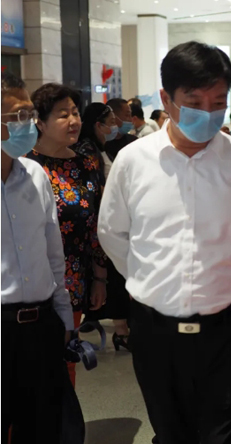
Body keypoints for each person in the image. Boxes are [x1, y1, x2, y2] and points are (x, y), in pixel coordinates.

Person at [98, 41, 231, 444]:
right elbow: (113, 233)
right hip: (155, 328)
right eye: (195, 103)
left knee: (223, 432)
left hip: (227, 326)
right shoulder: (133, 161)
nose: (209, 113)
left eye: (219, 103)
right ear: (167, 99)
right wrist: (151, 278)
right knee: (169, 431)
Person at [1, 72, 74, 444]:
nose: (27, 124)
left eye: (30, 114)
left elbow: (52, 252)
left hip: (41, 326)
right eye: (17, 116)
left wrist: (63, 316)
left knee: (43, 428)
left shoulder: (35, 174)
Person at [27, 83, 107, 385]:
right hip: (30, 280)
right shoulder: (23, 166)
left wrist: (100, 277)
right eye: (63, 115)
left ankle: (65, 416)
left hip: (73, 280)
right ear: (40, 122)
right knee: (30, 362)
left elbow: (95, 224)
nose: (73, 121)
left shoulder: (85, 164)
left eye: (75, 113)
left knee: (66, 359)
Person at [76, 103, 131, 351]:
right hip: (99, 225)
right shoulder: (87, 151)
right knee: (113, 280)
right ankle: (121, 331)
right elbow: (96, 191)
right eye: (111, 122)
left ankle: (121, 330)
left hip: (108, 220)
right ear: (98, 125)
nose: (115, 126)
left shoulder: (99, 149)